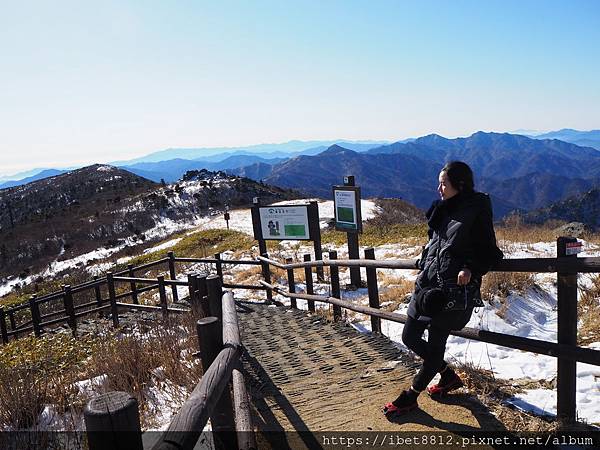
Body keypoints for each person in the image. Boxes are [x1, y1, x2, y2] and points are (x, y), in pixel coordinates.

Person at [383, 161, 503, 418]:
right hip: (427, 286)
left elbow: (489, 251)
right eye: (439, 182)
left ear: (460, 184)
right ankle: (447, 375)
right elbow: (435, 244)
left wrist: (470, 267)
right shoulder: (442, 209)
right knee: (409, 337)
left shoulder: (476, 209)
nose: (439, 188)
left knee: (435, 348)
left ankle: (410, 397)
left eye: (444, 183)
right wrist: (424, 260)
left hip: (452, 292)